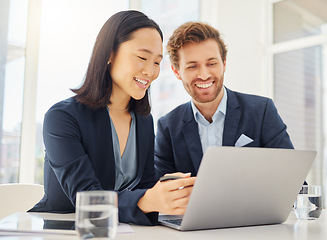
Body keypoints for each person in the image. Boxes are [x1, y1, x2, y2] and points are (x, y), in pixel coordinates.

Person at [29, 10, 195, 226]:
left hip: (121, 228)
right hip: (66, 229)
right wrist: (147, 200)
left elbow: (143, 187)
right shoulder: (61, 118)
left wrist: (167, 192)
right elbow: (85, 198)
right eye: (142, 57)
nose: (150, 71)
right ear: (109, 53)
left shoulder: (143, 120)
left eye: (156, 62)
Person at [155, 22, 294, 178]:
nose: (204, 74)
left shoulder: (262, 111)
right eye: (192, 66)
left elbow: (292, 178)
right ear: (176, 71)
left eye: (212, 63)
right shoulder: (168, 127)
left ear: (224, 63)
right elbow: (162, 191)